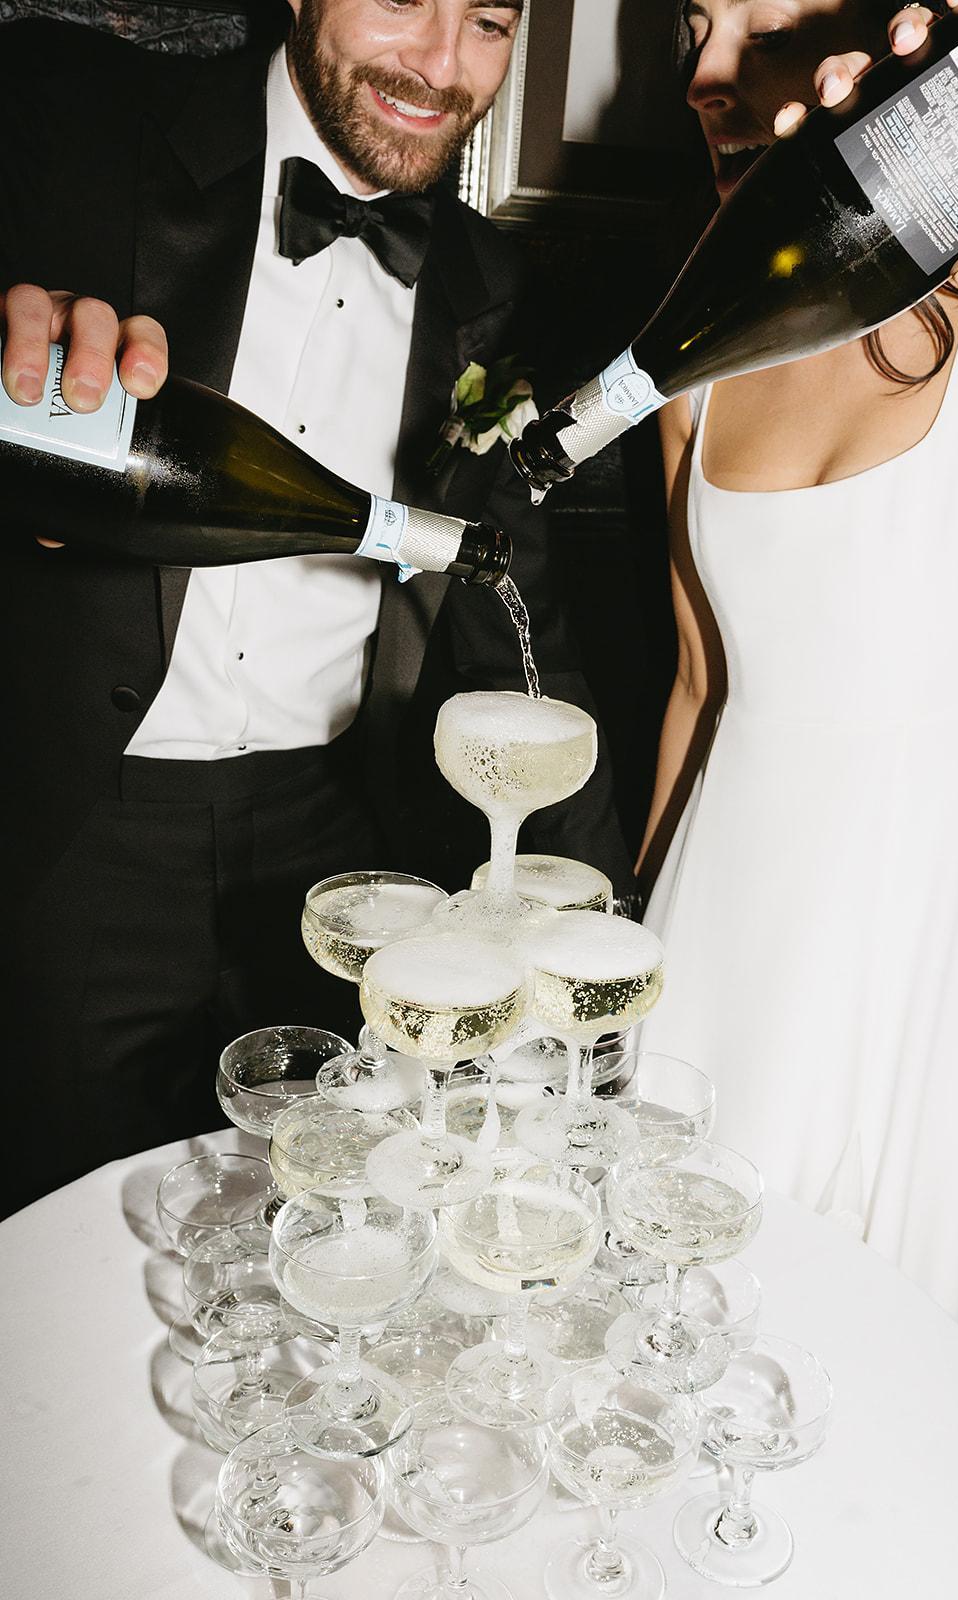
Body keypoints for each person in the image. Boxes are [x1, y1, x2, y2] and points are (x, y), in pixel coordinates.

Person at [0, 0, 632, 1209]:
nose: (440, 66)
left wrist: (606, 923)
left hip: (336, 860)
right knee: (51, 1237)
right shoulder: (67, 122)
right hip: (76, 832)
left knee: (320, 1225)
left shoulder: (492, 284)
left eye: (488, 21)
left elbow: (521, 616)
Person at [638, 0, 958, 1441]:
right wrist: (625, 971)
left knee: (907, 1426)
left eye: (763, 21)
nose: (708, 74)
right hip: (717, 955)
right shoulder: (697, 347)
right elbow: (699, 687)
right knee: (665, 1380)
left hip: (937, 974)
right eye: (694, 30)